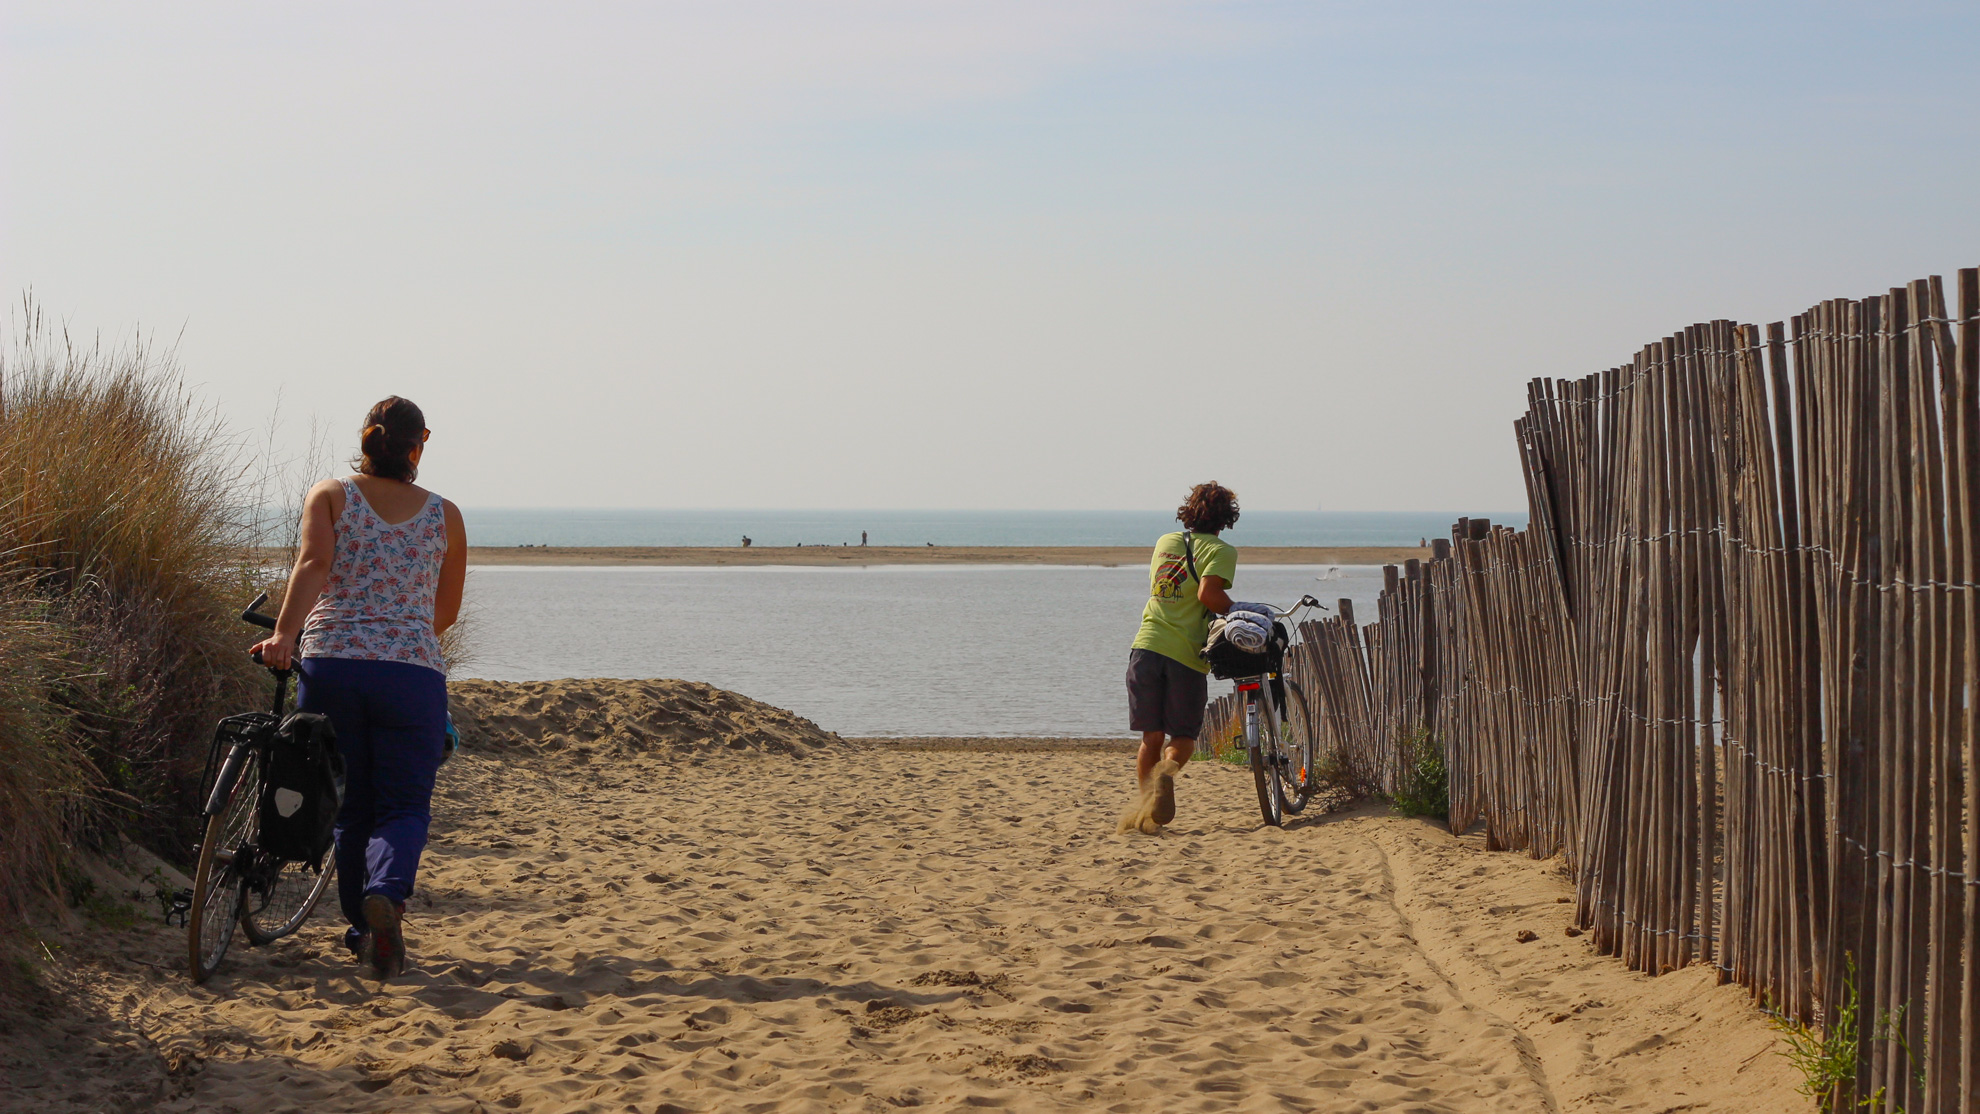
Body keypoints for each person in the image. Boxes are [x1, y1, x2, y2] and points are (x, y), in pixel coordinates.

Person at [250, 396, 467, 978]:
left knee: (348, 805)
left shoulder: (331, 496)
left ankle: (361, 924)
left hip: (332, 666)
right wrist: (399, 632)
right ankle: (387, 896)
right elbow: (444, 611)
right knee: (403, 805)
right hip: (410, 673)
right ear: (420, 442)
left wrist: (283, 636)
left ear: (367, 439)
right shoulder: (444, 515)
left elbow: (313, 566)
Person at [1119, 482, 1239, 834]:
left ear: (1189, 510)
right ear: (1226, 519)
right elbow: (1208, 594)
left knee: (1150, 738)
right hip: (1185, 655)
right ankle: (1166, 774)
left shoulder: (1165, 542)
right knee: (1183, 736)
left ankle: (1145, 813)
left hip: (1145, 647)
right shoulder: (1222, 550)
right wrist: (1238, 611)